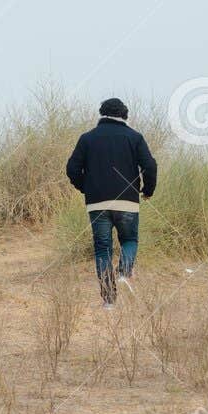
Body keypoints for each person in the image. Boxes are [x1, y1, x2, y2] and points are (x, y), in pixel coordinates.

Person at [65, 97, 157, 308]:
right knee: (130, 240)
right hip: (127, 202)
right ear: (124, 116)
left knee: (102, 249)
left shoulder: (87, 139)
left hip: (97, 204)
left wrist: (86, 187)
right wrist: (147, 191)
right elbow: (150, 166)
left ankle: (109, 302)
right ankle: (124, 272)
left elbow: (71, 169)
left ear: (102, 114)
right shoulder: (134, 137)